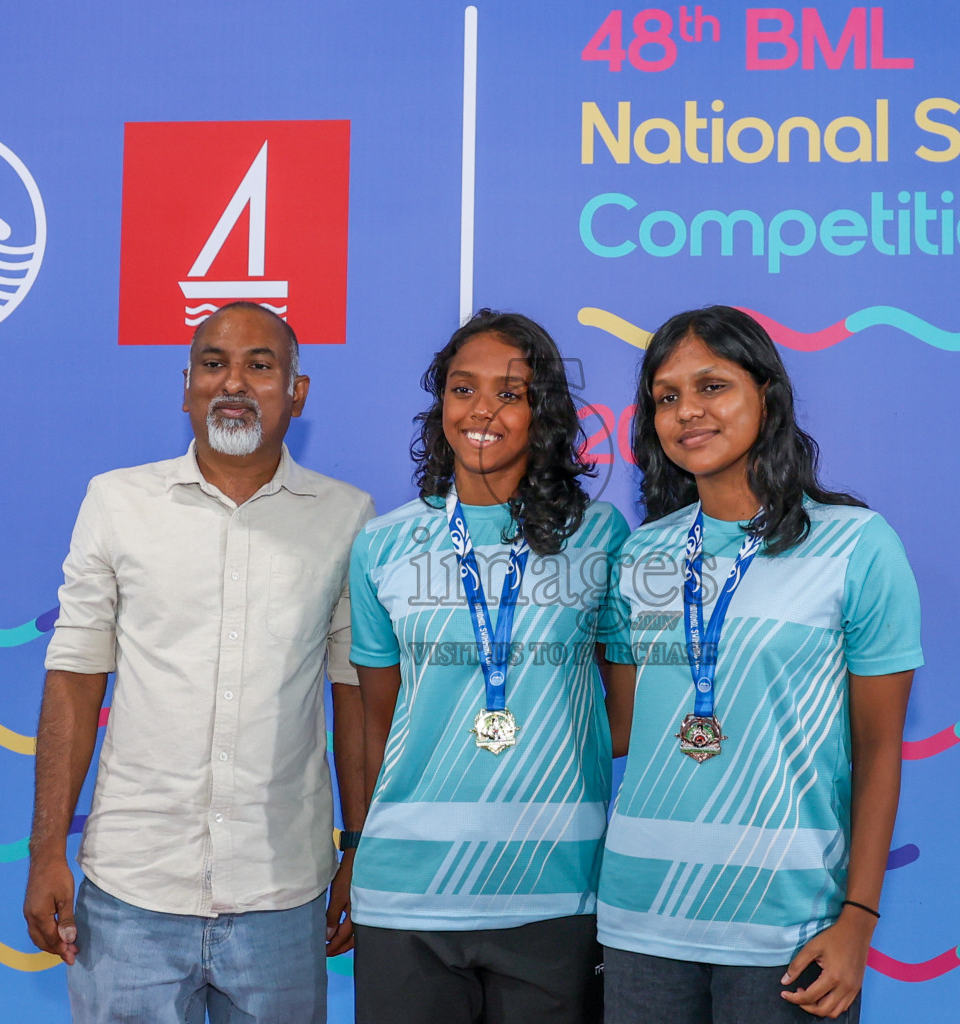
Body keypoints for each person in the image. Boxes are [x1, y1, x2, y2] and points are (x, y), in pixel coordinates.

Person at [24, 301, 373, 1023]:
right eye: (214, 363)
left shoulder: (347, 517)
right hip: (130, 893)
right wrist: (46, 850)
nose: (233, 382)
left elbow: (353, 697)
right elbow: (74, 681)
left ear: (297, 392)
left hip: (283, 897)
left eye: (260, 365)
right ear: (186, 386)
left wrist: (358, 850)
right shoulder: (116, 503)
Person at [596, 305, 922, 1023]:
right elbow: (619, 729)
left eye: (713, 387)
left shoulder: (857, 546)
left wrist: (858, 919)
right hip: (639, 920)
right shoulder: (640, 554)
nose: (688, 412)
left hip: (787, 927)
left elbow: (878, 751)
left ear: (766, 396)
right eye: (667, 396)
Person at [349, 310, 635, 1024]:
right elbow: (374, 725)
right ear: (440, 403)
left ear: (544, 413)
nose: (481, 410)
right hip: (406, 895)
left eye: (510, 393)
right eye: (461, 389)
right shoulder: (383, 545)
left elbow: (622, 719)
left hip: (556, 886)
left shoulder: (600, 535)